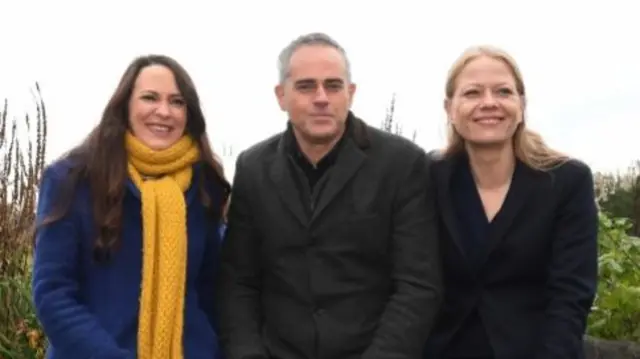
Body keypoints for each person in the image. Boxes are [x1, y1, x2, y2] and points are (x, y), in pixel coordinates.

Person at [217, 32, 443, 359]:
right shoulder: (253, 168)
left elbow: (418, 285)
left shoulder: (402, 164)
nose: (322, 97)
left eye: (333, 86)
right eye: (306, 86)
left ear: (350, 93)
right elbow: (239, 282)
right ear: (281, 96)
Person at [32, 54, 230, 359]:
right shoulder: (71, 180)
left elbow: (212, 294)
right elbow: (53, 294)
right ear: (125, 106)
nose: (163, 111)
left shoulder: (204, 188)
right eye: (150, 98)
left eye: (177, 102)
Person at [423, 45, 599, 359]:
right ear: (449, 108)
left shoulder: (567, 182)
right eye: (472, 93)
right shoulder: (427, 179)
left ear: (522, 104)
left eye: (503, 91)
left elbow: (570, 296)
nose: (489, 103)